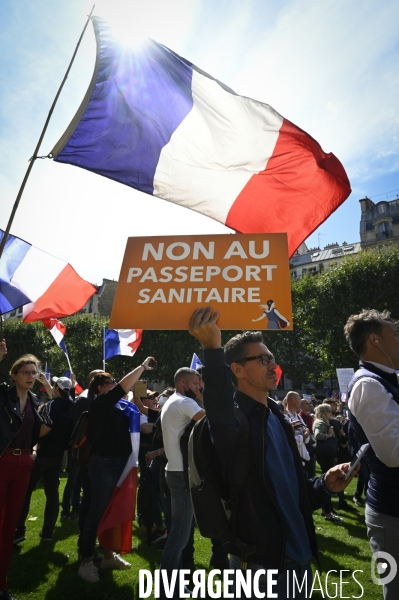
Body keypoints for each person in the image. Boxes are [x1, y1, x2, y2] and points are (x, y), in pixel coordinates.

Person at [189, 307, 357, 599]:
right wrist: (212, 348)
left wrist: (322, 485)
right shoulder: (236, 422)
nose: (273, 365)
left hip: (299, 558)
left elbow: (288, 490)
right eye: (263, 359)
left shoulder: (276, 416)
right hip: (260, 567)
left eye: (273, 358)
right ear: (238, 370)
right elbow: (218, 412)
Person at [78, 356, 156, 583]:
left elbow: (138, 428)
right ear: (102, 388)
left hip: (123, 463)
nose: (115, 384)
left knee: (115, 510)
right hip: (104, 465)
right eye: (111, 382)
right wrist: (142, 367)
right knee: (97, 510)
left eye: (114, 381)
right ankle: (86, 561)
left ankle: (108, 555)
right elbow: (124, 386)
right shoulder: (101, 403)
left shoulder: (125, 407)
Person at [345, 309, 399, 600]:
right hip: (392, 514)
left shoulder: (386, 378)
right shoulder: (368, 384)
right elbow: (394, 453)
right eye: (396, 334)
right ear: (375, 341)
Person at [0, 346, 51, 600]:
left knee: (10, 527)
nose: (31, 376)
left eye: (34, 372)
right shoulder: (3, 395)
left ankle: (1, 584)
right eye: (25, 372)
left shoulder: (34, 401)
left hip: (23, 466)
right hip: (2, 462)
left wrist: (32, 450)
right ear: (14, 375)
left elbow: (39, 431)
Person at [159, 367, 205, 599]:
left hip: (175, 472)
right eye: (196, 384)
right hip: (181, 475)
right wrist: (202, 398)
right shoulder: (185, 403)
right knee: (179, 537)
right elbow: (213, 423)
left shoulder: (174, 401)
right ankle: (167, 590)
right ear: (183, 383)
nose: (199, 387)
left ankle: (173, 587)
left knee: (179, 535)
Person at [15, 376, 74, 542]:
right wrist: (48, 384)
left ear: (57, 389)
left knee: (25, 493)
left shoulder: (53, 405)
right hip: (57, 456)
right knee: (52, 495)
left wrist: (31, 439)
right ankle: (47, 533)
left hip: (41, 454)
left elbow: (46, 426)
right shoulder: (71, 404)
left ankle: (19, 531)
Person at [313, 404, 343, 522]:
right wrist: (329, 435)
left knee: (326, 482)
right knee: (327, 483)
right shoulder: (320, 422)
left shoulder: (324, 422)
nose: (331, 413)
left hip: (326, 454)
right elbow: (318, 435)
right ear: (324, 412)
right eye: (329, 411)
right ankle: (328, 512)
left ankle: (326, 509)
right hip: (324, 455)